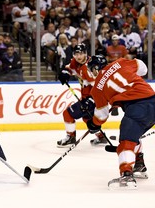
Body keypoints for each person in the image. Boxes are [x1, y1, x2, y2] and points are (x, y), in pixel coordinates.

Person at [86, 55, 152, 189]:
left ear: (95, 69)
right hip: (152, 98)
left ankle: (126, 175)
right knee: (134, 136)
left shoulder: (97, 88)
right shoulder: (120, 63)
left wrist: (94, 124)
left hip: (137, 108)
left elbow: (101, 115)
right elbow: (143, 69)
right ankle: (139, 165)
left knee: (126, 139)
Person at [57, 43, 107, 147]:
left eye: (81, 54)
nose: (79, 56)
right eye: (76, 54)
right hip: (86, 97)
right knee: (87, 119)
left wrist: (92, 100)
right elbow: (70, 68)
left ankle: (70, 137)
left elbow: (99, 87)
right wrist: (65, 73)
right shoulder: (76, 62)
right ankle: (101, 137)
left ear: (86, 53)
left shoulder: (89, 68)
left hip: (93, 99)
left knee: (68, 114)